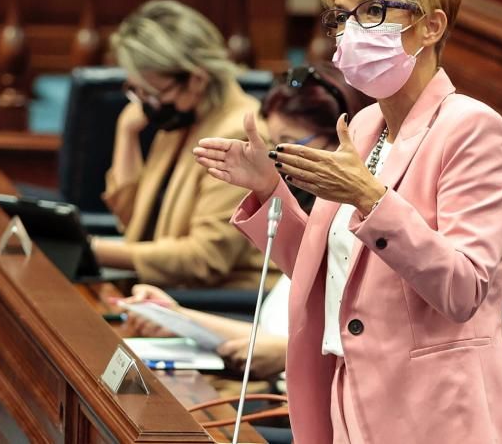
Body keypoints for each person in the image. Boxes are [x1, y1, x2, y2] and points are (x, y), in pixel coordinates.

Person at [193, 0, 502, 444]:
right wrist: (269, 191)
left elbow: (465, 290)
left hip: (435, 414)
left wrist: (371, 200)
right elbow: (332, 272)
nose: (349, 31)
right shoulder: (368, 123)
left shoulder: (472, 128)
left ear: (431, 27)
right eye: (341, 15)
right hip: (349, 399)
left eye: (372, 11)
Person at [126, 63, 365, 380]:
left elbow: (348, 353)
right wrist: (176, 316)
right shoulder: (321, 216)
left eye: (290, 144)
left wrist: (285, 354)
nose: (278, 162)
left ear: (341, 141)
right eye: (273, 146)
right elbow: (268, 332)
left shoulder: (355, 224)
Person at [90, 0, 276, 289]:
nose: (146, 103)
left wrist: (94, 250)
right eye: (137, 91)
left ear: (197, 80)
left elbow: (205, 258)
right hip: (162, 293)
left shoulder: (237, 138)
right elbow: (133, 224)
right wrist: (126, 133)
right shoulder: (181, 120)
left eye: (151, 92)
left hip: (213, 304)